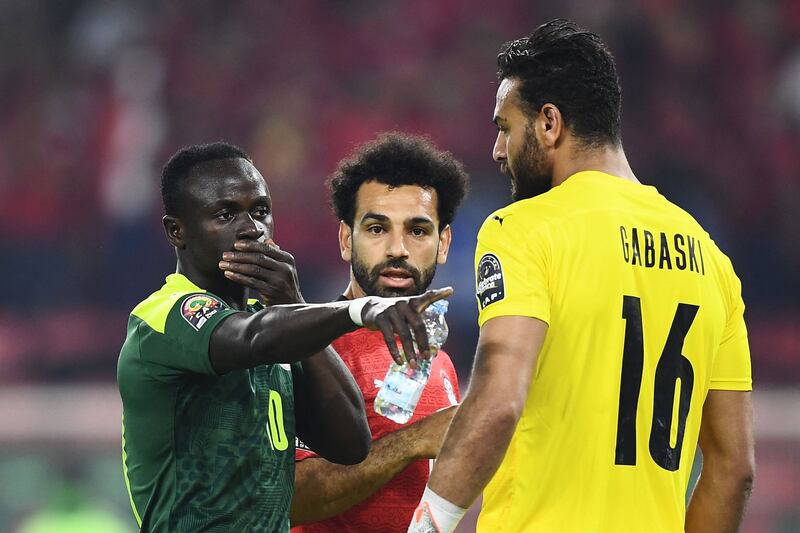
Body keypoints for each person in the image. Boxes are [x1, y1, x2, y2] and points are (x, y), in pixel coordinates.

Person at [409, 19, 754, 533]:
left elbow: (499, 402)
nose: (497, 151)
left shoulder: (524, 229)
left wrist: (428, 523)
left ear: (549, 123)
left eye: (505, 127)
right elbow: (734, 470)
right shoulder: (711, 260)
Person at [117, 142, 451, 532]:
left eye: (260, 212)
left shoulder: (276, 330)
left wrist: (290, 300)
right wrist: (360, 309)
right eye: (225, 214)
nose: (251, 229)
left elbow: (350, 445)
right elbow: (248, 340)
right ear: (177, 230)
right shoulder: (163, 315)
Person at [290, 132, 469, 532]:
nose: (397, 250)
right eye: (376, 229)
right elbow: (292, 497)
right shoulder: (310, 346)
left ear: (443, 244)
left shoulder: (439, 360)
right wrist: (413, 441)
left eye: (418, 231)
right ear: (345, 240)